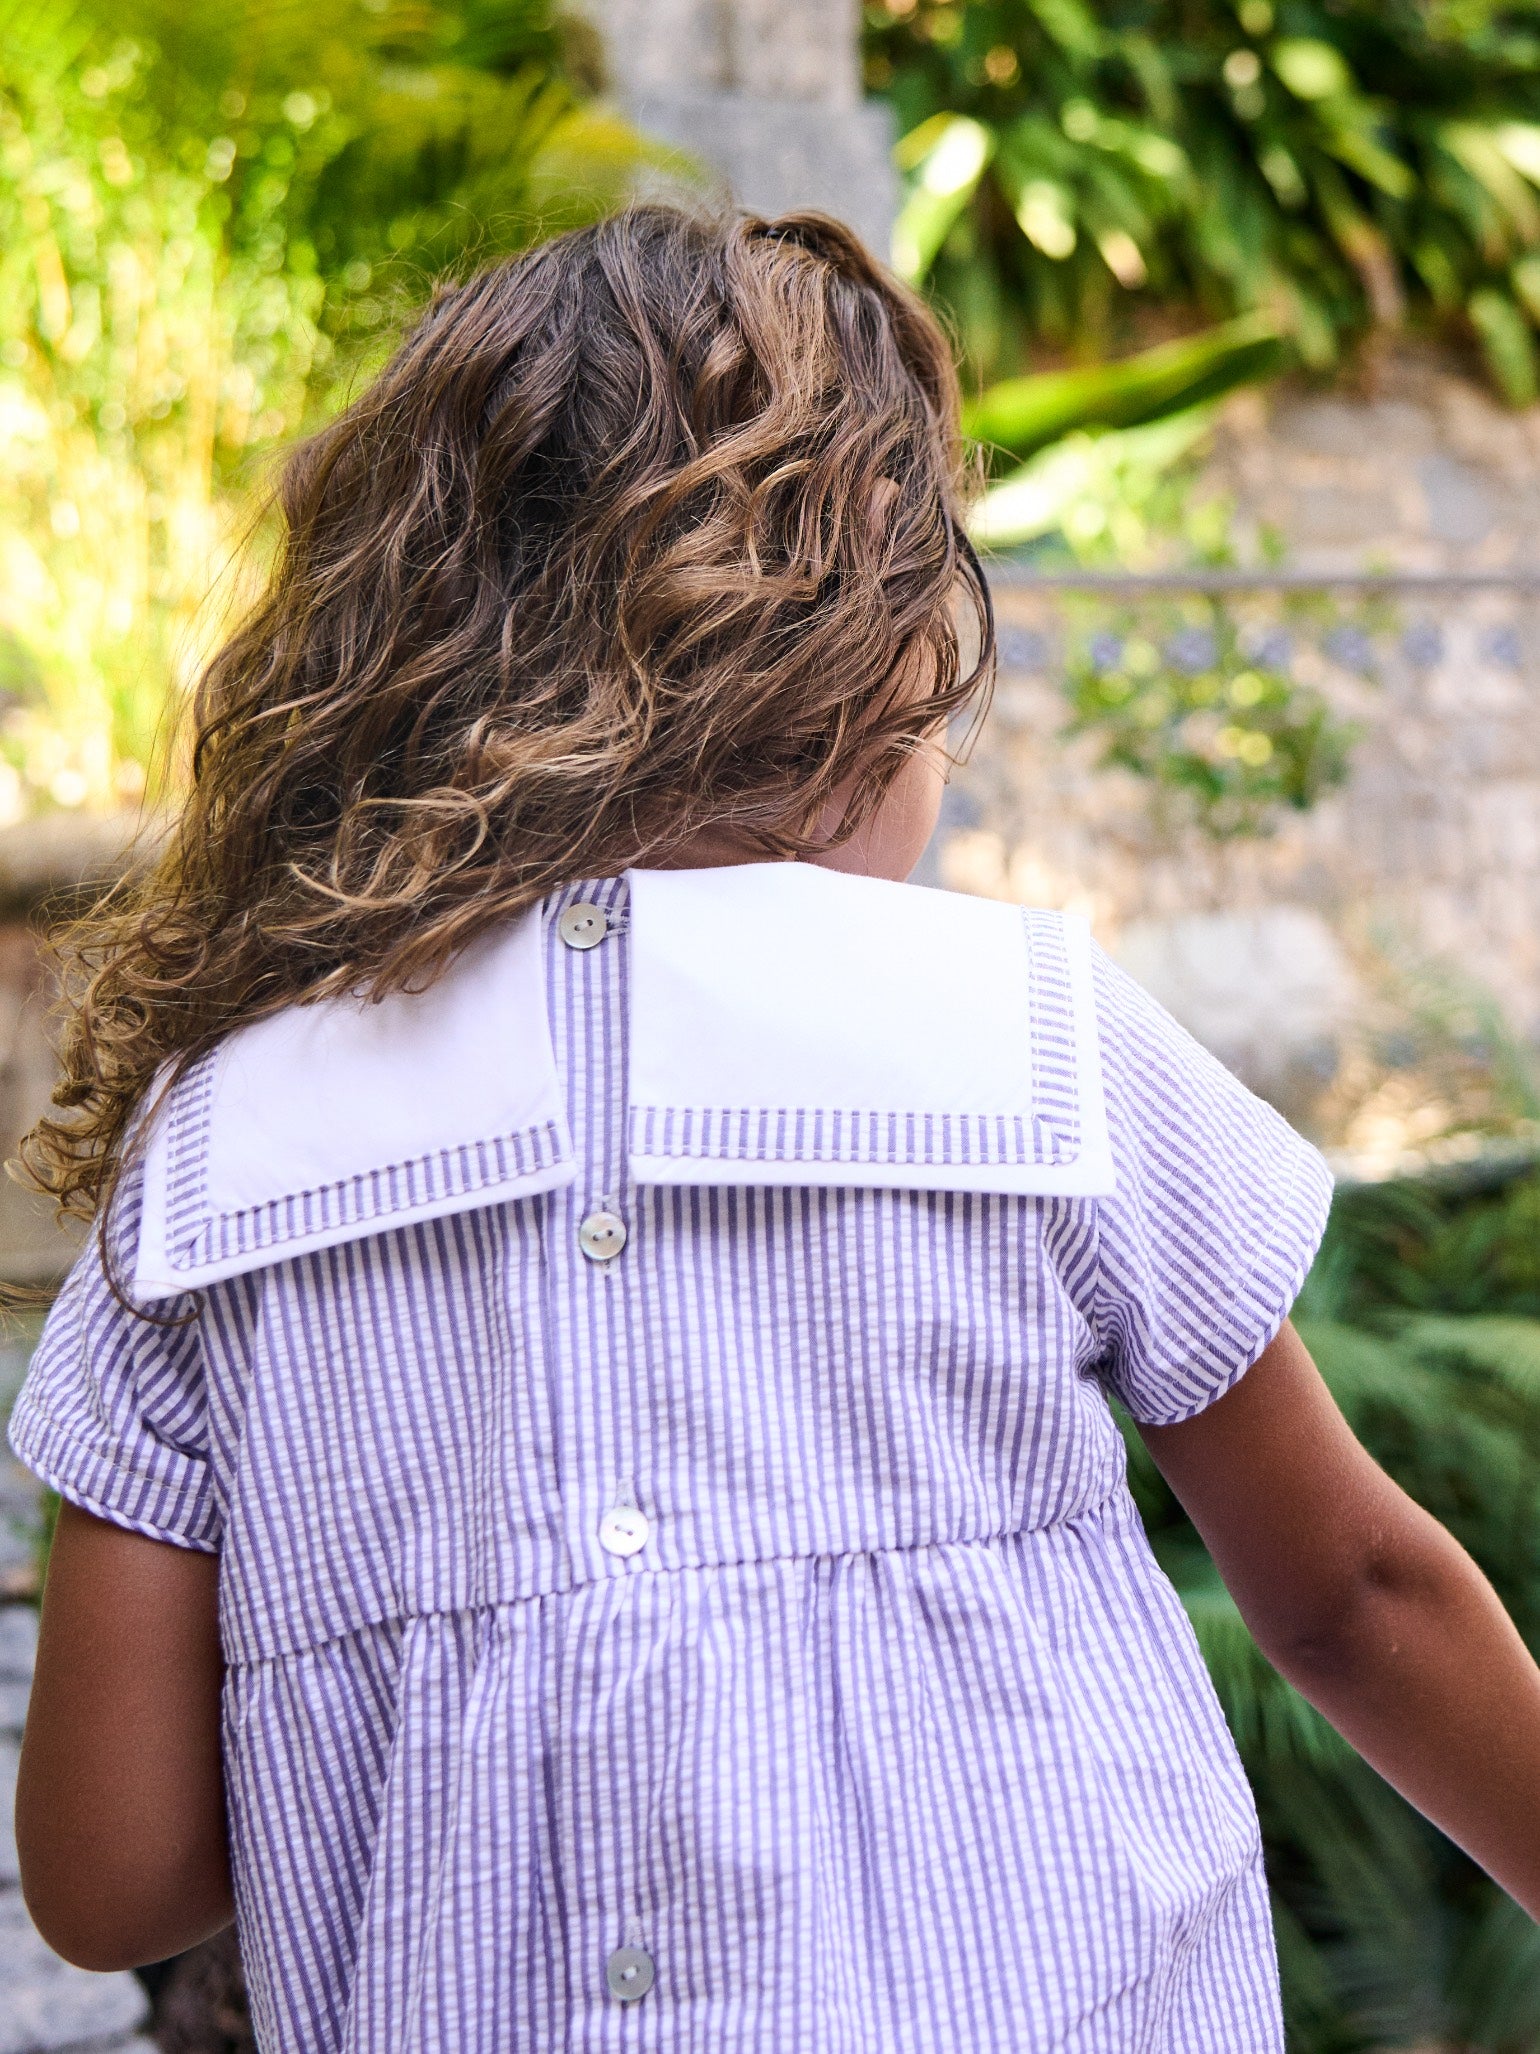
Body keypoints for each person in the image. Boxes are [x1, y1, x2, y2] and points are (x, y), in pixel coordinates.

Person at [8, 206, 1540, 2054]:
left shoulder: (219, 1156)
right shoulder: (1026, 1039)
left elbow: (110, 1873)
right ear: (875, 661)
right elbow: (1358, 1594)